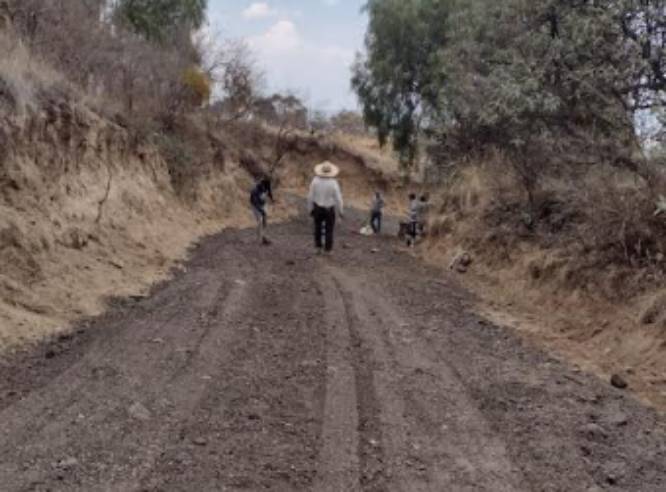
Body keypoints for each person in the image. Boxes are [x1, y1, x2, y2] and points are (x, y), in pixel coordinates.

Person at [307, 161, 344, 254]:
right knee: (329, 229)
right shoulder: (333, 183)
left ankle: (318, 248)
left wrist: (310, 208)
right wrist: (341, 211)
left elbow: (310, 196)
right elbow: (338, 198)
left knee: (317, 228)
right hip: (329, 209)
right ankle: (328, 249)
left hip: (318, 208)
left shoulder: (315, 181)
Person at [249, 176, 274, 245]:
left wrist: (272, 199)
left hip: (263, 204)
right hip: (255, 206)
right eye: (263, 187)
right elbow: (255, 202)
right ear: (261, 185)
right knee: (260, 221)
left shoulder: (266, 186)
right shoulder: (255, 190)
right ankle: (259, 239)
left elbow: (269, 192)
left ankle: (264, 238)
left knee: (264, 222)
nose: (265, 189)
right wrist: (262, 211)